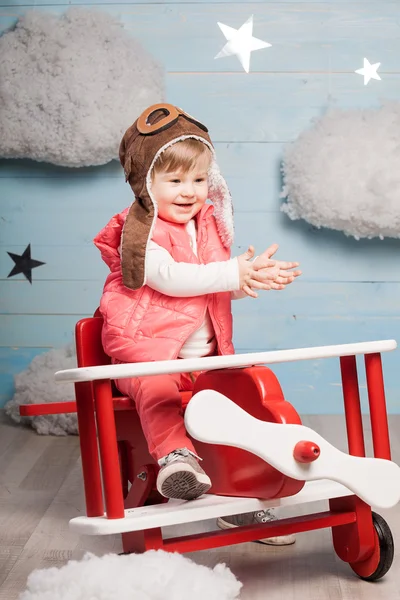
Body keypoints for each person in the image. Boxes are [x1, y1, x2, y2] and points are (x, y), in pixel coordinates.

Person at [94, 103, 301, 545]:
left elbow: (208, 287)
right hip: (145, 349)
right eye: (174, 180)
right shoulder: (141, 229)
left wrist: (247, 280)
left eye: (199, 179)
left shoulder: (205, 227)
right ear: (147, 183)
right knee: (158, 388)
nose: (189, 191)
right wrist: (230, 273)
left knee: (243, 396)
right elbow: (168, 277)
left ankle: (244, 497)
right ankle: (177, 460)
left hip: (202, 359)